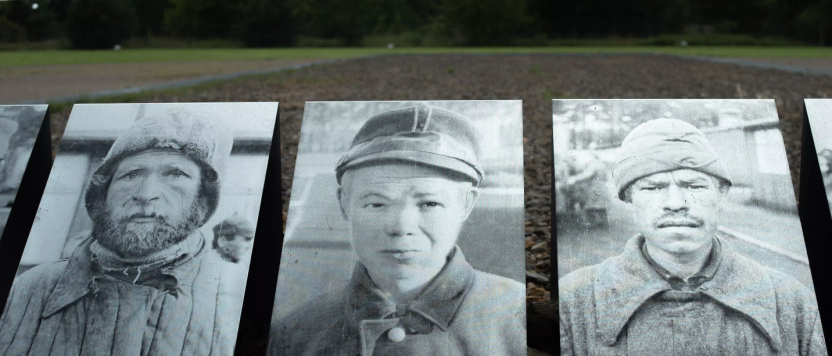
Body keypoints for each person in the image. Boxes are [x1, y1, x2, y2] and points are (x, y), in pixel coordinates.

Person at [558, 118, 827, 356]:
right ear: (629, 198)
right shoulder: (572, 304)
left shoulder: (794, 303)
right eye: (653, 187)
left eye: (694, 185)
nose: (676, 203)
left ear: (722, 194)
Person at [270, 106, 526, 356]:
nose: (401, 227)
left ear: (466, 205)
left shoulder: (522, 318)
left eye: (429, 203)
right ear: (344, 204)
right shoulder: (294, 333)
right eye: (377, 203)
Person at [0, 112, 246, 356]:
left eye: (175, 174)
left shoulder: (236, 299)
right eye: (132, 174)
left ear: (204, 197)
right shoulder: (28, 288)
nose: (146, 193)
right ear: (103, 190)